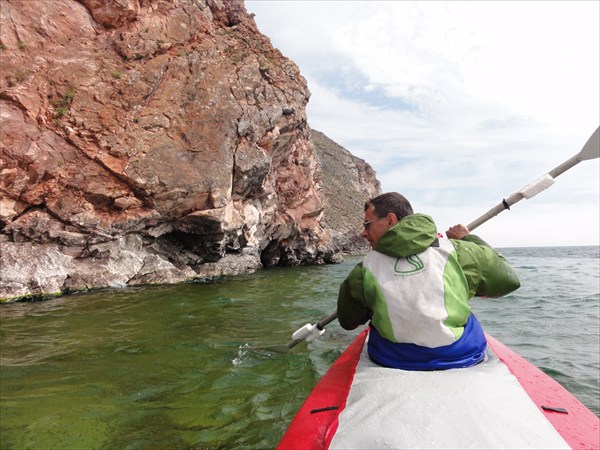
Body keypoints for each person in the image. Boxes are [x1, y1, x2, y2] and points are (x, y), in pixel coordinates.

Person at [337, 192, 520, 370]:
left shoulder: (366, 268)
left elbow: (349, 321)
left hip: (392, 358)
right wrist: (468, 239)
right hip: (459, 355)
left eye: (367, 225)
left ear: (390, 221)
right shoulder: (456, 251)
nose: (363, 233)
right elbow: (509, 279)